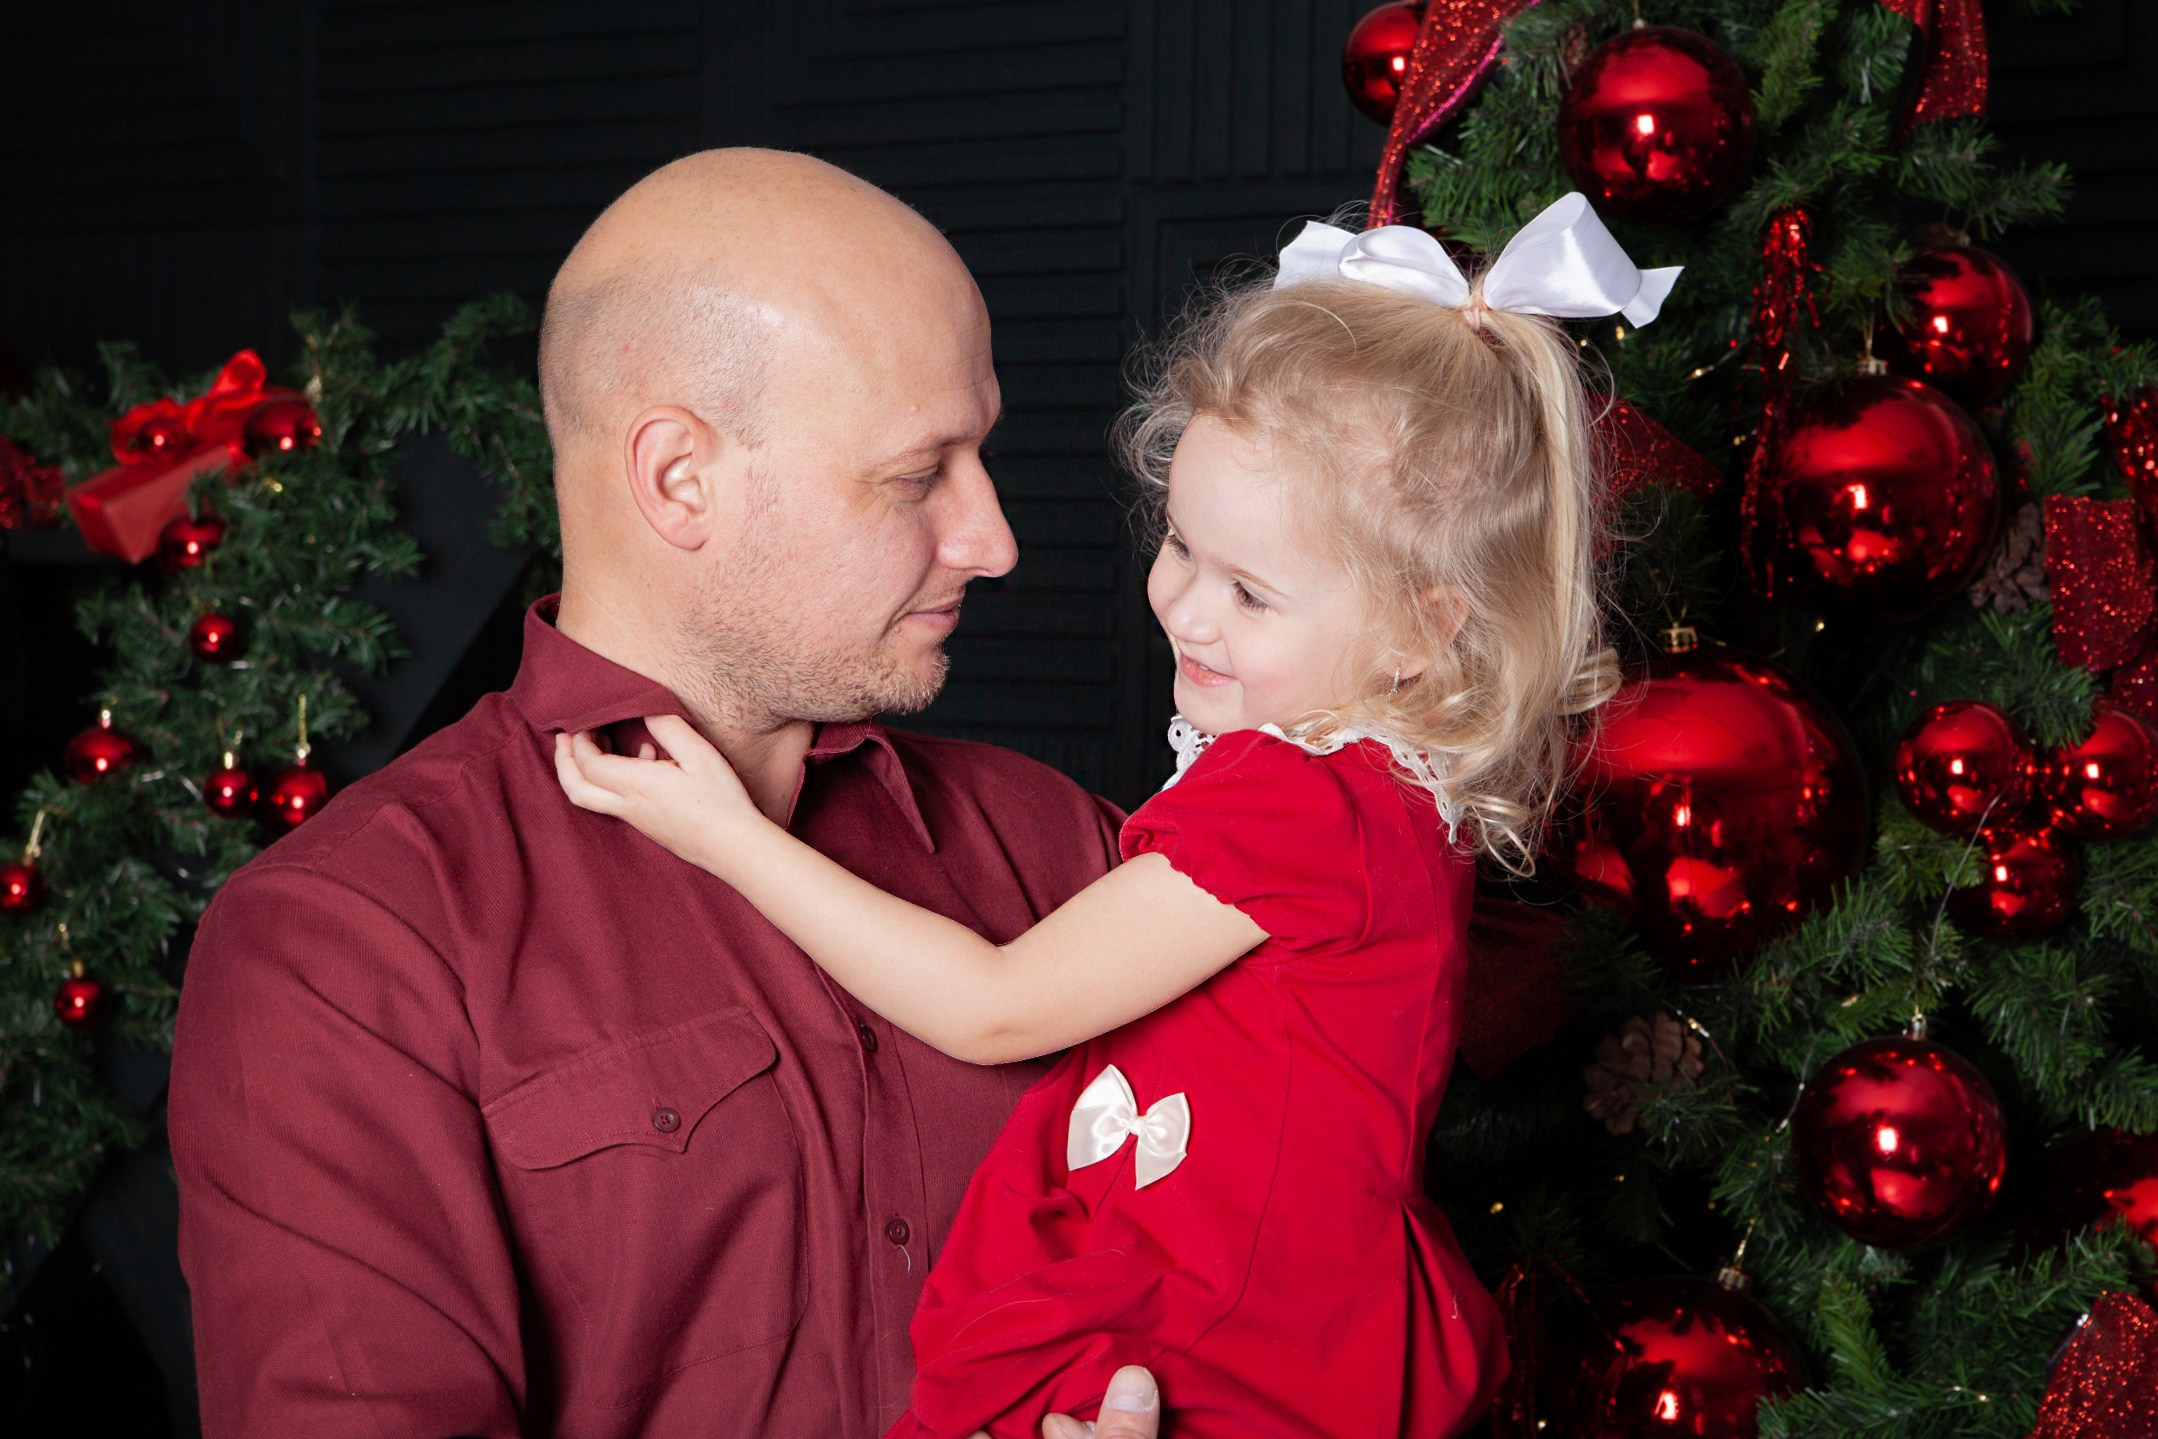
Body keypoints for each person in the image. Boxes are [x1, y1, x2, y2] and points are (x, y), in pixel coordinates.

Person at [553, 194, 1667, 1437]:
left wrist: (729, 832)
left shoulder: (1306, 802)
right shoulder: (1371, 795)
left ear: (1424, 631)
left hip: (1217, 1332)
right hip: (1244, 1304)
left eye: (1251, 591)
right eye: (1181, 545)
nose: (1185, 608)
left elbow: (995, 1003)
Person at [168, 149, 1166, 1439]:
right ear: (679, 479)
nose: (992, 538)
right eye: (919, 475)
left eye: (981, 455)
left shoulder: (1063, 851)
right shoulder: (350, 944)